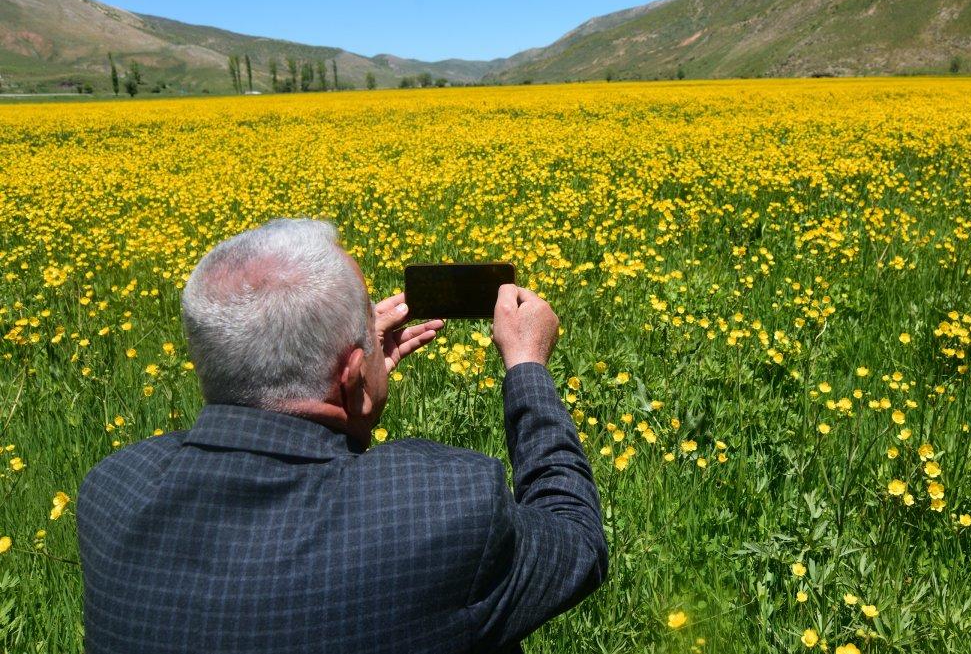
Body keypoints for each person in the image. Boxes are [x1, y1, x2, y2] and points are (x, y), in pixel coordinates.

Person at [76, 218, 607, 653]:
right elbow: (576, 538)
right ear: (352, 374)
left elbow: (316, 513)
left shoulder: (114, 492)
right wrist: (526, 367)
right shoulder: (443, 511)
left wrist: (349, 401)